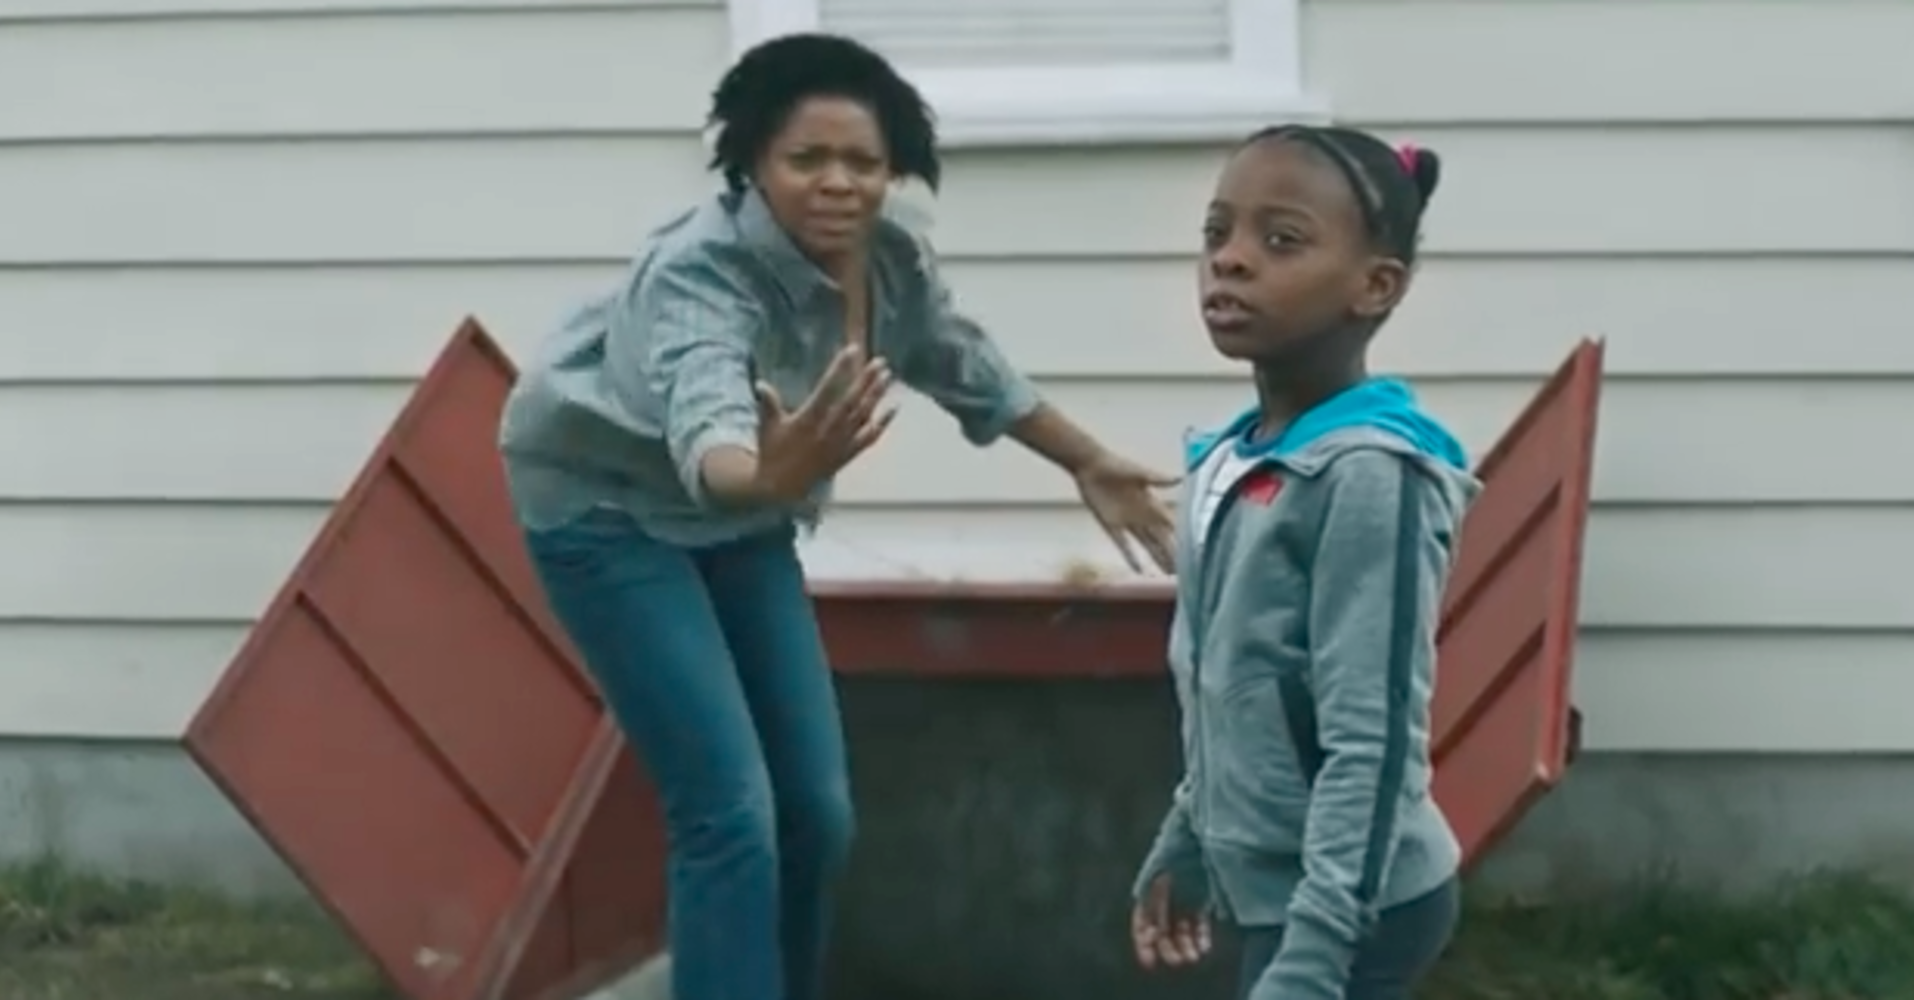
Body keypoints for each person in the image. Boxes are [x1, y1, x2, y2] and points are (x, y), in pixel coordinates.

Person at [496, 31, 1178, 1000]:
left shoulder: (891, 260)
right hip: (610, 512)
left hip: (744, 517)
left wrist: (1086, 459)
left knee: (815, 809)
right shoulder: (700, 271)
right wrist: (756, 473)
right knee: (727, 811)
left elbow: (960, 361)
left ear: (893, 169)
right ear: (752, 164)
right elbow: (709, 428)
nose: (835, 183)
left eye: (860, 161)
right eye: (803, 159)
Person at [1127, 124, 1473, 1000]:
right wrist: (1192, 831)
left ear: (1375, 285)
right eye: (1218, 234)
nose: (1231, 261)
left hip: (1357, 900)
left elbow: (1375, 738)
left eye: (1280, 241)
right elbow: (1234, 679)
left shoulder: (1369, 476)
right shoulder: (1236, 459)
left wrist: (1319, 957)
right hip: (1286, 889)